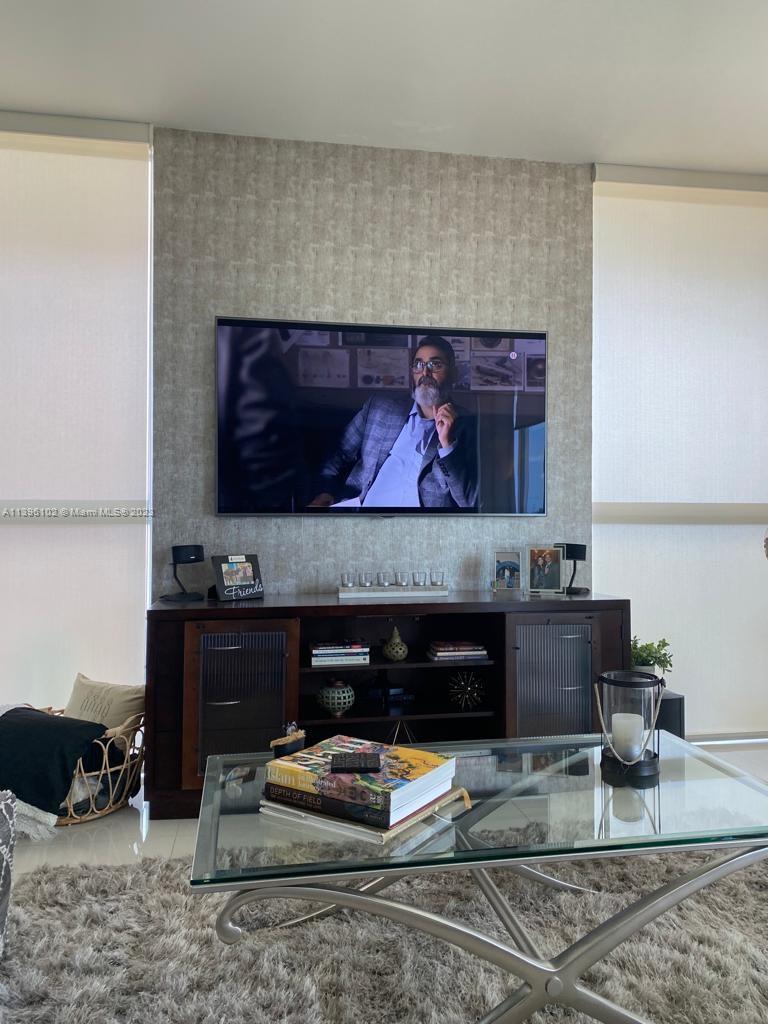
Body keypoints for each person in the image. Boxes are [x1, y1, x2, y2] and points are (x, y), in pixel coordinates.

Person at [308, 337, 478, 509]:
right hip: (362, 513)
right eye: (418, 365)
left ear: (454, 373)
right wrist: (325, 492)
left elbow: (470, 501)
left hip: (420, 523)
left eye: (435, 365)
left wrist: (447, 445)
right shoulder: (380, 407)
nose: (425, 373)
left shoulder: (469, 427)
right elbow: (340, 452)